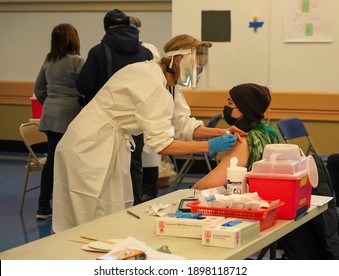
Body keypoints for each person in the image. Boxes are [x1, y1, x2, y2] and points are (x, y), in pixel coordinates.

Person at [52, 34, 246, 233]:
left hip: (109, 143)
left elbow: (183, 124)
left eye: (201, 68)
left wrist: (220, 132)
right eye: (195, 67)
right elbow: (162, 145)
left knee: (111, 212)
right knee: (88, 216)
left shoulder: (167, 83)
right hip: (89, 145)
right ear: (178, 61)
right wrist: (210, 146)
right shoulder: (151, 82)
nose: (197, 72)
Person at [75, 9, 153, 206]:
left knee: (103, 167)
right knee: (134, 165)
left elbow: (84, 85)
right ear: (129, 25)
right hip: (136, 120)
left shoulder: (98, 52)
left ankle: (106, 210)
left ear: (105, 28)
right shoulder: (145, 52)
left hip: (104, 123)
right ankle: (135, 205)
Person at [34, 23, 85, 219]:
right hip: (70, 115)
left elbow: (39, 90)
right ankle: (69, 206)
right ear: (74, 39)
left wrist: (51, 101)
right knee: (70, 160)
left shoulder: (49, 62)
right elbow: (86, 86)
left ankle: (43, 205)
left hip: (50, 114)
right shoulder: (77, 61)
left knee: (51, 160)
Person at [192, 83, 280, 189]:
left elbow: (210, 184)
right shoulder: (269, 132)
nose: (226, 106)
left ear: (245, 109)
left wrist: (192, 189)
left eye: (230, 103)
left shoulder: (244, 140)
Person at [129, 15, 162, 202]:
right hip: (130, 111)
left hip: (148, 106)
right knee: (135, 158)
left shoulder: (148, 49)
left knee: (149, 152)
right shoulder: (111, 51)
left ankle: (149, 190)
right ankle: (137, 193)